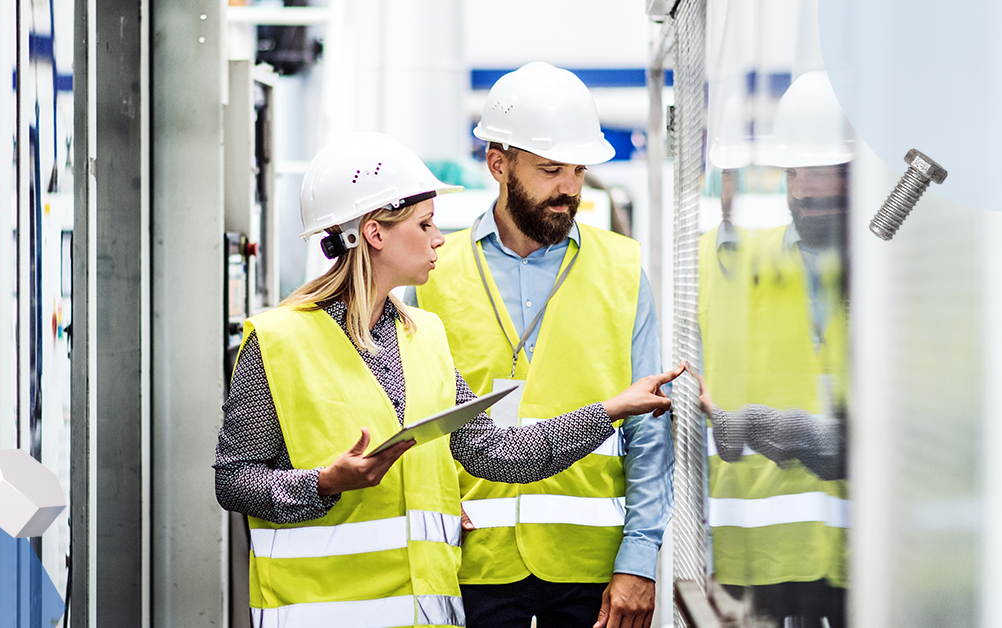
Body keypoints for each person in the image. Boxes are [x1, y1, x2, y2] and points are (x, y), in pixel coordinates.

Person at [214, 131, 685, 628]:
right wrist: (324, 483)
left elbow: (498, 452)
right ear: (375, 233)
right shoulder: (278, 341)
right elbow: (233, 481)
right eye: (425, 224)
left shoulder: (423, 337)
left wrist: (610, 411)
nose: (440, 237)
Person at [411, 62, 672, 628]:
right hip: (470, 561)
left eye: (578, 170)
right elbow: (415, 419)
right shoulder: (433, 273)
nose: (569, 189)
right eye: (551, 170)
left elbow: (650, 431)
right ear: (498, 165)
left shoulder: (622, 269)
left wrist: (639, 558)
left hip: (591, 567)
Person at [696, 70, 850, 627]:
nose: (810, 194)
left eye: (829, 177)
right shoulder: (718, 263)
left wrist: (750, 424)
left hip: (873, 559)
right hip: (758, 562)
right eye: (798, 176)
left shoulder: (897, 280)